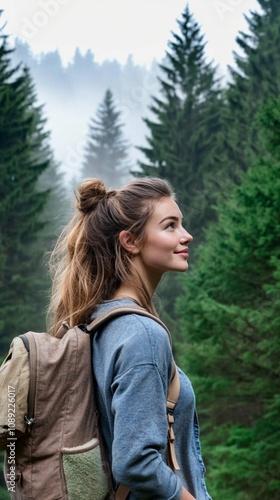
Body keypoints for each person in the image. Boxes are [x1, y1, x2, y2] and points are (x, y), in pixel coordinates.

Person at [47, 176, 211, 500]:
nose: (186, 235)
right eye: (170, 226)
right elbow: (136, 462)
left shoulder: (95, 323)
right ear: (130, 241)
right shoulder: (143, 335)